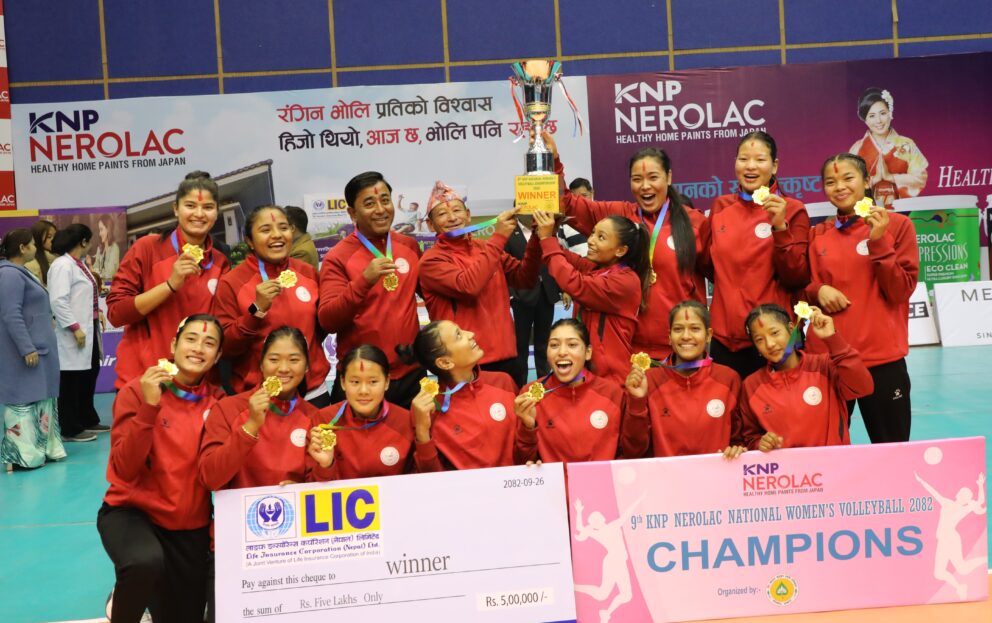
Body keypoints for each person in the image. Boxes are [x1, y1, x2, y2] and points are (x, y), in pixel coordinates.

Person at [98, 315, 224, 623]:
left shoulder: (220, 403)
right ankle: (128, 593)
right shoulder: (138, 391)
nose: (198, 348)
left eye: (209, 343)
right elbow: (124, 470)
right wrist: (150, 407)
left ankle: (144, 589)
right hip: (133, 514)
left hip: (188, 526)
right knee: (144, 562)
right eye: (190, 339)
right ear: (173, 344)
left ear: (218, 356)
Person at [546, 133, 706, 361]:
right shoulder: (619, 216)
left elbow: (723, 275)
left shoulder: (695, 222)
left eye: (653, 177)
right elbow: (569, 204)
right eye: (637, 179)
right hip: (626, 351)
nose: (645, 186)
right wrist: (554, 162)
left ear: (669, 177)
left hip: (680, 350)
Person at [807, 154, 919, 443]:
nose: (839, 187)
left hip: (880, 359)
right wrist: (817, 290)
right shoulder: (817, 234)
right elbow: (800, 287)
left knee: (891, 450)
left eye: (848, 178)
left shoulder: (897, 226)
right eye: (830, 182)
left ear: (867, 180)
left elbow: (900, 290)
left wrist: (878, 240)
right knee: (825, 449)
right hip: (828, 359)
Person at [700, 131, 811, 380]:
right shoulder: (720, 206)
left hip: (771, 340)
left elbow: (797, 276)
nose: (750, 166)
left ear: (774, 166)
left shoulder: (792, 210)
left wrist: (780, 227)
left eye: (760, 159)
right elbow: (709, 265)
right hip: (724, 340)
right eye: (743, 159)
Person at [107, 171, 230, 389]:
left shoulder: (221, 262)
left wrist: (256, 309)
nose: (199, 214)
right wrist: (169, 285)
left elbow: (225, 325)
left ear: (216, 212)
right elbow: (116, 314)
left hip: (198, 384)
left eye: (208, 207)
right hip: (146, 380)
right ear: (175, 209)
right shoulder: (147, 248)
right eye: (190, 206)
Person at [318, 171, 423, 407]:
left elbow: (434, 297)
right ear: (352, 213)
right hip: (362, 379)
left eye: (385, 200)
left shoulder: (409, 246)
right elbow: (328, 320)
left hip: (411, 374)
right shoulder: (338, 257)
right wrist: (364, 281)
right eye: (369, 203)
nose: (380, 209)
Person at [419, 180, 539, 383]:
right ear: (431, 225)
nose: (452, 217)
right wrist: (499, 237)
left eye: (457, 210)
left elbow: (524, 278)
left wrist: (537, 237)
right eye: (442, 214)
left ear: (468, 215)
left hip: (508, 357)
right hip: (466, 364)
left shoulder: (484, 247)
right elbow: (469, 286)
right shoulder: (431, 261)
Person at [212, 205, 331, 406]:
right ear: (249, 241)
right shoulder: (232, 282)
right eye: (265, 230)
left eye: (283, 228)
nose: (277, 235)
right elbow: (226, 347)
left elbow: (320, 328)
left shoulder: (308, 273)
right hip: (260, 396)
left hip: (313, 392)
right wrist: (255, 310)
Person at [199, 326, 335, 490]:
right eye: (274, 359)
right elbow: (210, 479)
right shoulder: (228, 408)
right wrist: (251, 426)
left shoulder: (315, 418)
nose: (283, 368)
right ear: (261, 365)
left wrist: (308, 484)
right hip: (237, 506)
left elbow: (320, 491)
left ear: (306, 367)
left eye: (294, 360)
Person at [532, 210, 647, 385]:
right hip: (586, 374)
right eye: (593, 233)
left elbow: (574, 283)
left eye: (601, 237)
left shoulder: (625, 282)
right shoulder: (596, 269)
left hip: (611, 380)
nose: (590, 240)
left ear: (621, 250)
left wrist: (548, 239)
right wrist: (550, 234)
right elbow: (562, 256)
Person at [739, 304, 873, 451]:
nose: (770, 344)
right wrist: (761, 443)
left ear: (791, 329)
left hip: (833, 463)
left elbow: (863, 387)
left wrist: (832, 339)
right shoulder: (751, 385)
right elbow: (750, 438)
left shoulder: (824, 366)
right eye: (759, 339)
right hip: (786, 467)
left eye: (775, 333)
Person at [622, 300, 744, 458]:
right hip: (665, 474)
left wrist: (738, 449)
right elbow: (633, 451)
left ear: (708, 335)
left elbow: (740, 442)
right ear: (669, 337)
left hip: (717, 473)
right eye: (678, 329)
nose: (686, 336)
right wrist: (636, 402)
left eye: (695, 329)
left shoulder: (728, 379)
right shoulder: (649, 381)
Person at [399, 320, 517, 470]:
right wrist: (422, 432)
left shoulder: (502, 382)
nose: (471, 334)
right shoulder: (428, 408)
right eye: (459, 335)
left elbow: (525, 453)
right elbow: (432, 476)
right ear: (445, 363)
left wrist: (529, 428)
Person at [513, 319, 622, 464]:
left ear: (588, 352)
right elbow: (522, 461)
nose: (562, 352)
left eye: (572, 345)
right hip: (553, 479)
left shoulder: (612, 393)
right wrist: (528, 427)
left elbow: (631, 453)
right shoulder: (529, 395)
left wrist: (637, 403)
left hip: (601, 478)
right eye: (554, 345)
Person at [0, 229, 66, 469]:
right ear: (22, 248)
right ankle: (21, 456)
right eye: (32, 244)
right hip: (27, 351)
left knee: (41, 399)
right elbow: (11, 314)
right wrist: (26, 348)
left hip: (39, 347)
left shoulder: (21, 272)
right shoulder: (9, 275)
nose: (36, 248)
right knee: (23, 402)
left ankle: (44, 448)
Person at [317, 345, 432, 477]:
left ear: (387, 382)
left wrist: (423, 434)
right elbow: (309, 484)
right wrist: (325, 466)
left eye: (373, 382)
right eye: (355, 382)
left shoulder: (406, 421)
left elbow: (429, 480)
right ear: (343, 382)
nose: (363, 391)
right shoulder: (324, 421)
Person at [48, 224, 107, 441]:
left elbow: (84, 296)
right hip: (73, 331)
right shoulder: (62, 265)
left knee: (89, 374)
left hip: (89, 326)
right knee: (71, 380)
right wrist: (74, 327)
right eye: (89, 240)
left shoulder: (78, 264)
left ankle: (87, 418)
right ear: (83, 241)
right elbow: (58, 300)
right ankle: (70, 428)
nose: (91, 244)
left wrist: (98, 312)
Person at [505, 214, 562, 388]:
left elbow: (556, 260)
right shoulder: (509, 234)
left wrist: (561, 288)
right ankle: (520, 385)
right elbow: (504, 268)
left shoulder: (547, 230)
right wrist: (512, 294)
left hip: (547, 293)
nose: (531, 214)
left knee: (544, 342)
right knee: (521, 344)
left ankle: (545, 383)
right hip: (522, 297)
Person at [849, 87, 928, 206]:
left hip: (903, 209)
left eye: (883, 113)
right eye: (872, 116)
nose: (878, 121)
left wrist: (891, 177)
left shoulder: (907, 144)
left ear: (890, 113)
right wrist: (875, 179)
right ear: (865, 119)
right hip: (868, 210)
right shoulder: (857, 149)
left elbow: (920, 178)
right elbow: (850, 183)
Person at [284, 205, 319, 271]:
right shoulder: (300, 244)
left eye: (282, 227)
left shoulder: (301, 252)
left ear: (292, 228)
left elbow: (288, 276)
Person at [24, 219, 57, 286]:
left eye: (55, 236)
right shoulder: (31, 265)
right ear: (37, 238)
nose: (53, 240)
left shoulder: (63, 259)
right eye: (49, 237)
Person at [93, 213, 121, 284]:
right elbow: (95, 267)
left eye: (101, 229)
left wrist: (98, 273)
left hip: (110, 287)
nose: (99, 233)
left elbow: (110, 274)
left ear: (108, 229)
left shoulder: (115, 248)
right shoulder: (99, 248)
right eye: (99, 230)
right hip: (100, 287)